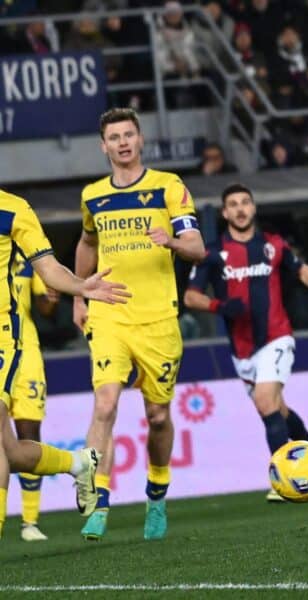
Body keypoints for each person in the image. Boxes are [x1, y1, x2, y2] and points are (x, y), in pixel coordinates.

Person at [74, 108, 207, 542]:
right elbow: (87, 242)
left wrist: (172, 241)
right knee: (105, 405)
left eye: (129, 135)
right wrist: (79, 294)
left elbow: (198, 247)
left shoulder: (168, 186)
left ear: (140, 139)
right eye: (114, 137)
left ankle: (156, 495)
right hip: (110, 312)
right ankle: (99, 500)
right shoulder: (93, 195)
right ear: (104, 146)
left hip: (158, 319)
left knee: (158, 416)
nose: (123, 143)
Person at [184, 184, 308, 502]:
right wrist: (220, 306)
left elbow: (301, 270)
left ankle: (284, 481)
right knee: (275, 409)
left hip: (276, 336)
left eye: (245, 202)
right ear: (225, 213)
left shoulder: (273, 245)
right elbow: (190, 296)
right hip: (242, 349)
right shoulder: (213, 253)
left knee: (264, 400)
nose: (240, 209)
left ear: (254, 208)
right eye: (233, 204)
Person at [0, 188, 129, 539]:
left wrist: (80, 287)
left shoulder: (13, 209)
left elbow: (48, 267)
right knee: (11, 452)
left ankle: (28, 523)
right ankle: (79, 463)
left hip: (4, 336)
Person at [8, 252, 59, 541]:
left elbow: (45, 307)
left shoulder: (25, 255)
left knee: (28, 434)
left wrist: (51, 298)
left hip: (25, 354)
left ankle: (30, 522)